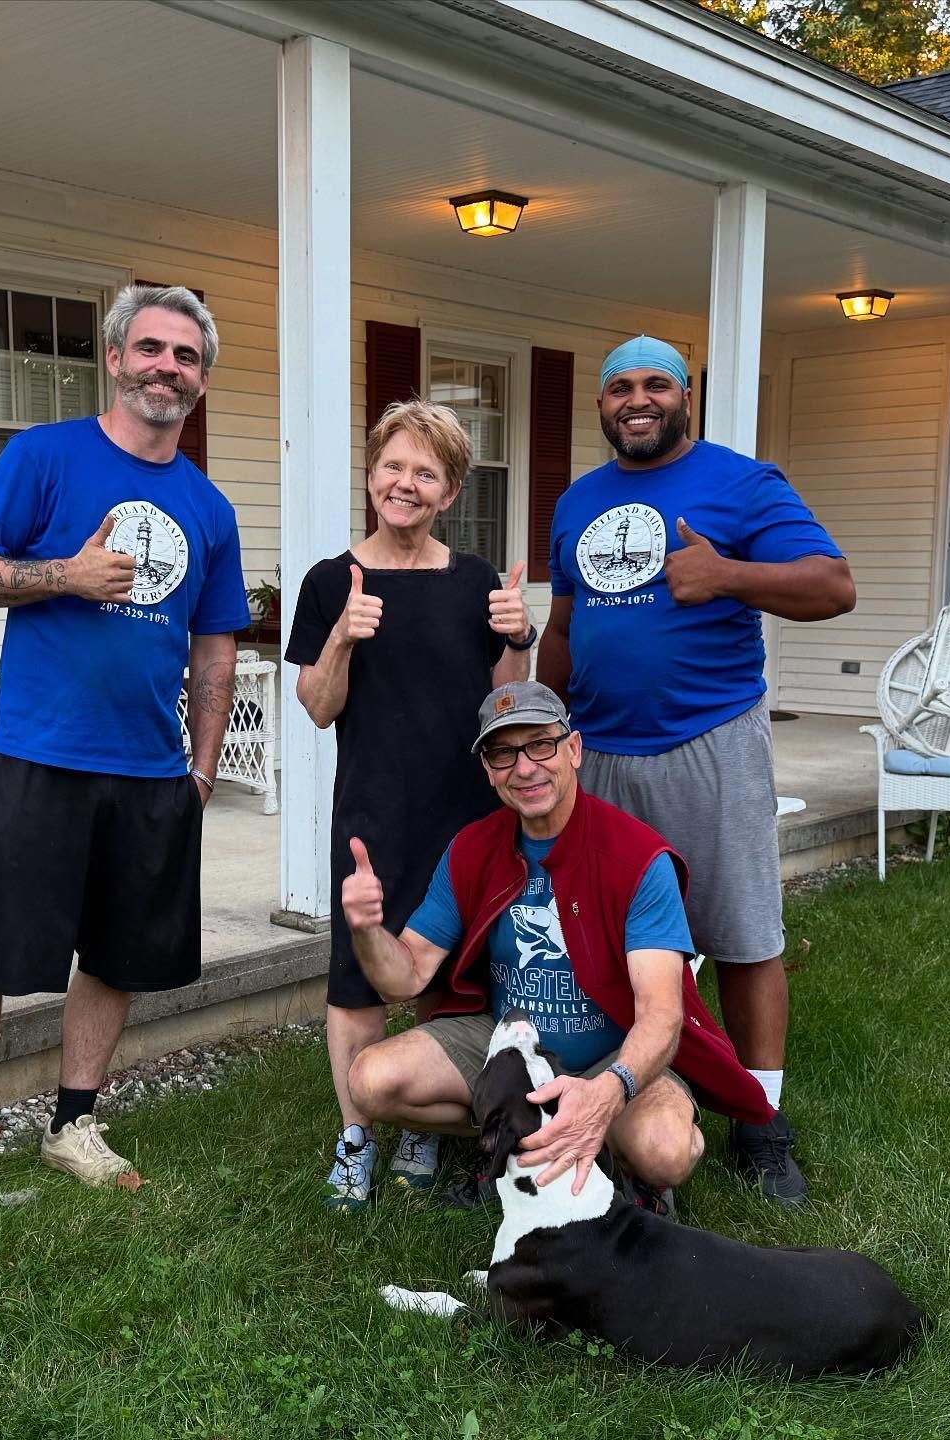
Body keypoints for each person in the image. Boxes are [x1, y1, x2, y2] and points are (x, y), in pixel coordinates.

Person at [0, 285, 250, 1224]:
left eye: (188, 357)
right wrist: (65, 576)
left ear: (201, 380)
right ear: (117, 358)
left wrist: (202, 771)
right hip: (37, 756)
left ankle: (72, 1123)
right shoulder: (43, 457)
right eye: (154, 349)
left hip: (148, 772)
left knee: (117, 957)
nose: (170, 367)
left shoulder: (208, 507)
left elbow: (215, 650)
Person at [537, 335, 855, 1208]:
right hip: (597, 752)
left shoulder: (743, 483)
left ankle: (762, 1124)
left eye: (655, 386)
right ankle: (606, 1104)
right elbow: (564, 625)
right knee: (595, 943)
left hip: (708, 742)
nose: (636, 401)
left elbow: (833, 585)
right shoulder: (577, 502)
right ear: (601, 406)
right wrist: (542, 718)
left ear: (685, 397)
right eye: (618, 390)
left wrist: (727, 576)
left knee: (742, 933)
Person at [343, 681, 774, 1209]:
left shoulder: (637, 857)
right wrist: (366, 931)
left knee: (666, 1151)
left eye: (541, 745)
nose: (524, 768)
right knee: (371, 1080)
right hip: (511, 1049)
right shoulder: (473, 848)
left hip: (613, 1054)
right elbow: (404, 977)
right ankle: (541, 1142)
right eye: (503, 753)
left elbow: (662, 1017)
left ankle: (563, 1149)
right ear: (488, 770)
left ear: (573, 749)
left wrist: (608, 1091)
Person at [286, 400, 535, 1211]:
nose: (406, 483)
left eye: (426, 472)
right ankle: (355, 1138)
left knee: (450, 977)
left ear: (450, 491)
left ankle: (422, 1121)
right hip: (374, 812)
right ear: (370, 477)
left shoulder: (473, 582)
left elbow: (507, 708)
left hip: (466, 815)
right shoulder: (331, 582)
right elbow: (319, 708)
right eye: (394, 466)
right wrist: (342, 638)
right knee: (358, 979)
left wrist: (517, 641)